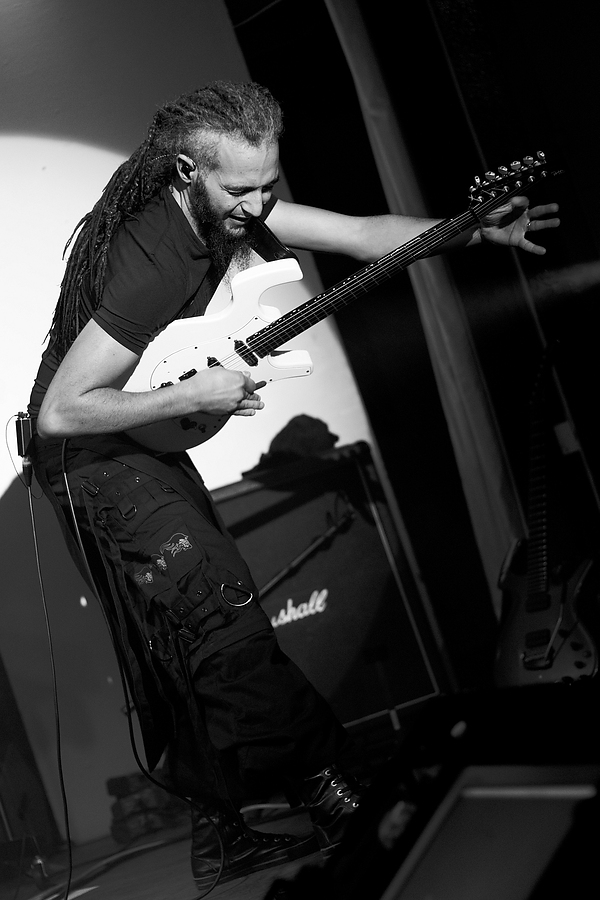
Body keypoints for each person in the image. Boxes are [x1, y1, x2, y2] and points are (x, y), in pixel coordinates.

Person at [27, 81, 559, 890]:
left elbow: (356, 233)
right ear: (184, 173)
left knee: (184, 641)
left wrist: (466, 232)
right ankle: (337, 792)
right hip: (89, 461)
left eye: (269, 183)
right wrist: (192, 397)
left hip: (137, 443)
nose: (259, 204)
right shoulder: (151, 254)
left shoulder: (234, 205)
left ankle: (223, 835)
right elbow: (61, 411)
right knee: (219, 605)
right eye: (239, 190)